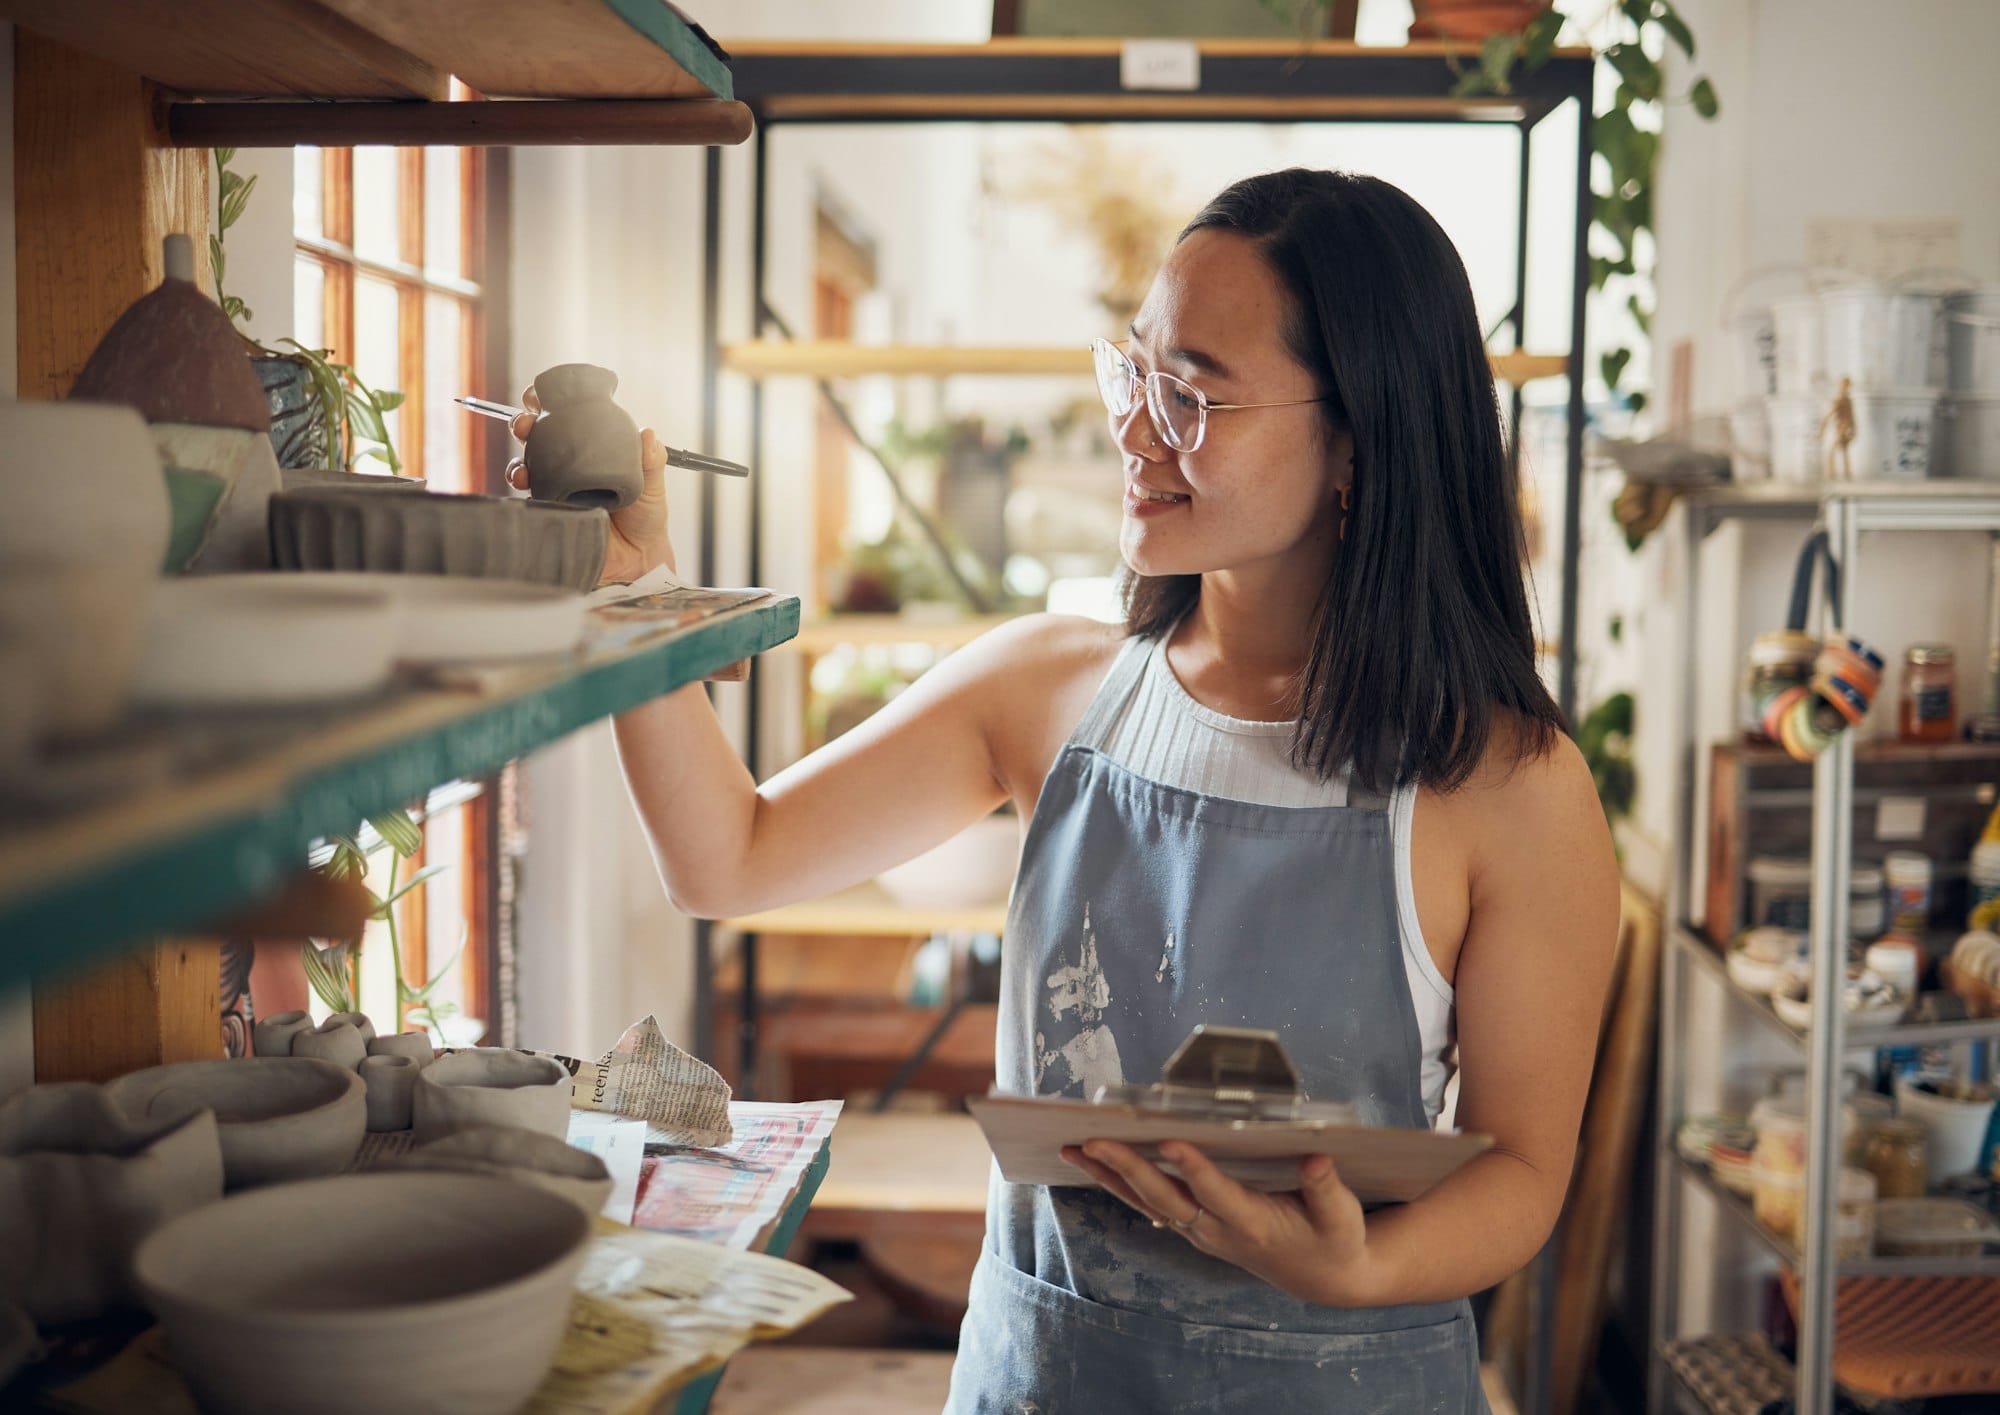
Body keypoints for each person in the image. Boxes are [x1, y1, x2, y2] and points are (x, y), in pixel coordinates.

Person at [509, 167, 1618, 1414]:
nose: (1137, 433)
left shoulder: (1509, 788)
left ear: (1357, 440)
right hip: (1046, 1377)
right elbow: (729, 855)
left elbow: (1523, 1171)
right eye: (1134, 373)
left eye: (1192, 394)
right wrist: (636, 587)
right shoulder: (1044, 688)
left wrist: (1361, 1263)